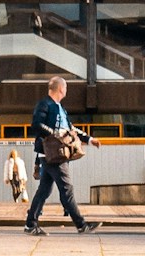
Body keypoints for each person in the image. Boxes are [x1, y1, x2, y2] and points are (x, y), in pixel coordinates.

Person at [27, 75, 98, 235]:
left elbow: (71, 129)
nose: (66, 90)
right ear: (61, 88)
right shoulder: (45, 104)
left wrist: (89, 139)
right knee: (66, 189)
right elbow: (36, 125)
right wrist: (55, 134)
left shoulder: (59, 108)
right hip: (54, 153)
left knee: (44, 190)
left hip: (52, 154)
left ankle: (30, 224)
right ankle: (81, 224)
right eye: (65, 88)